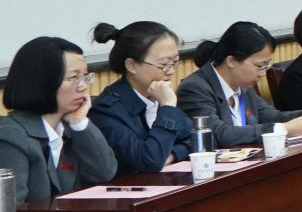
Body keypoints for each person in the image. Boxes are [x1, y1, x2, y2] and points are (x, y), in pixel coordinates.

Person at [0, 36, 117, 200]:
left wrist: (79, 124)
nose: (83, 86)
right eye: (73, 78)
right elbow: (9, 209)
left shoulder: (69, 127)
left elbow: (104, 173)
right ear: (41, 82)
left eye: (85, 76)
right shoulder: (12, 136)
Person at [177, 21, 302, 145]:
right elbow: (220, 134)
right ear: (231, 61)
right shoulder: (195, 89)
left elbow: (271, 116)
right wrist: (283, 129)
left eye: (267, 66)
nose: (263, 73)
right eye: (260, 66)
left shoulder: (243, 84)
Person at [90, 20, 197, 172]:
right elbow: (150, 160)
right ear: (132, 65)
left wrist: (172, 154)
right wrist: (167, 107)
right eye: (164, 65)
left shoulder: (157, 95)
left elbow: (199, 138)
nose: (171, 71)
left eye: (175, 63)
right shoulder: (106, 111)